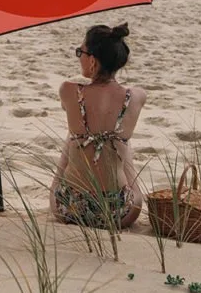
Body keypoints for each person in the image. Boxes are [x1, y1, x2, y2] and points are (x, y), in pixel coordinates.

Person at [50, 22, 146, 229]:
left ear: (92, 60)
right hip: (118, 212)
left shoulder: (68, 90)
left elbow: (69, 108)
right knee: (120, 140)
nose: (79, 57)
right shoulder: (137, 96)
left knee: (75, 136)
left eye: (80, 52)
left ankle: (56, 186)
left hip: (70, 208)